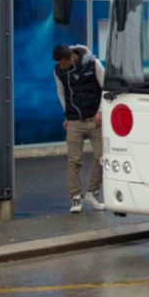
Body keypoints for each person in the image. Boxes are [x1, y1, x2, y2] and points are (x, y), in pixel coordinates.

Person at [54, 44, 106, 213]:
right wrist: (67, 115)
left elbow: (105, 88)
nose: (61, 67)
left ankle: (92, 192)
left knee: (102, 156)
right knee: (74, 160)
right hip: (74, 121)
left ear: (72, 58)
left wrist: (101, 112)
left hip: (94, 119)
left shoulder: (93, 64)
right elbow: (62, 94)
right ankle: (76, 198)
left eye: (63, 63)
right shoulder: (58, 72)